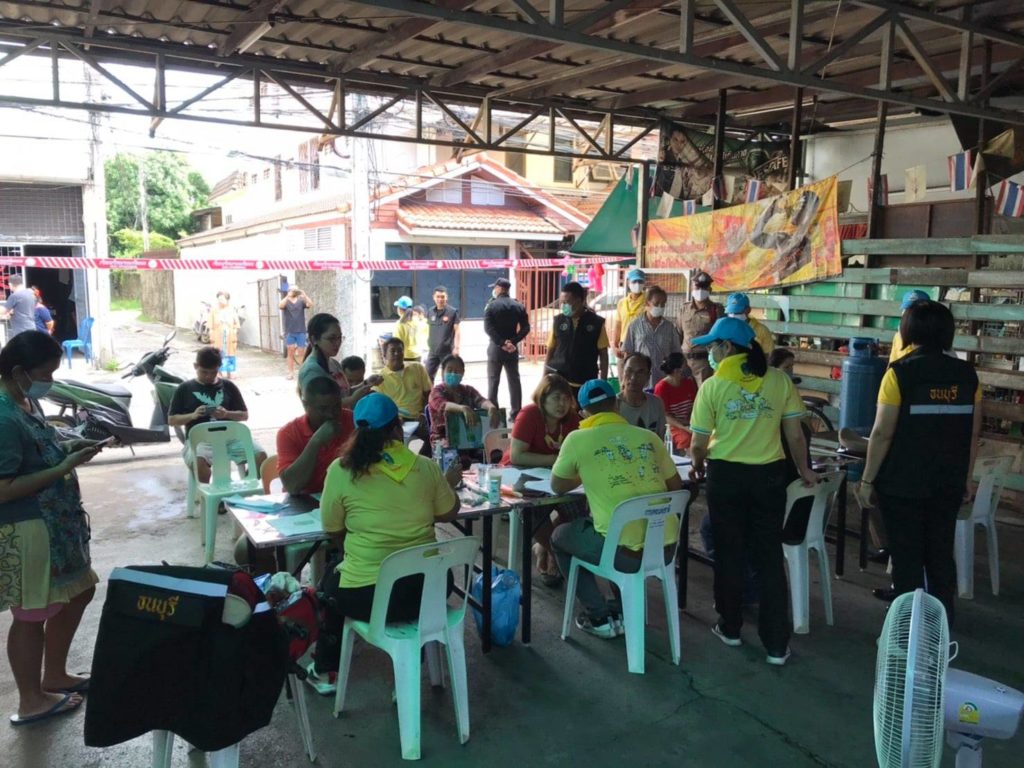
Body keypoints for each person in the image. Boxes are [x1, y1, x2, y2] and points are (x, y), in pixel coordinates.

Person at [688, 317, 814, 665]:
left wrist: (697, 464)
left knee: (729, 553)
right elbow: (795, 434)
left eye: (714, 346)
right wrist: (805, 469)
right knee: (768, 557)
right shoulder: (778, 380)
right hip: (769, 478)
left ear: (727, 347)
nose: (711, 352)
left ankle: (730, 628)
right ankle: (776, 644)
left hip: (726, 478)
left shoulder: (713, 386)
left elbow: (698, 444)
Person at [310, 393, 461, 683]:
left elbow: (332, 528)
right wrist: (444, 487)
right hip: (427, 591)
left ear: (356, 430)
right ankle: (412, 663)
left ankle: (326, 669)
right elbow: (448, 511)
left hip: (367, 598)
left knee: (330, 583)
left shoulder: (341, 470)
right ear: (397, 428)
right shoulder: (425, 466)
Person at [854, 300, 981, 628]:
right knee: (940, 556)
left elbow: (882, 433)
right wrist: (967, 478)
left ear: (909, 330)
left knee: (907, 559)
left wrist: (867, 481)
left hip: (903, 483)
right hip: (948, 482)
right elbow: (972, 433)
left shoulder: (899, 373)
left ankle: (906, 634)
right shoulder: (967, 375)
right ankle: (941, 630)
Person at [0, 331, 103, 724]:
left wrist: (68, 449)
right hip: (27, 526)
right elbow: (4, 489)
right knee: (32, 611)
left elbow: (40, 449)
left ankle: (55, 674)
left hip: (57, 522)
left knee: (80, 590)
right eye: (45, 374)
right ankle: (30, 700)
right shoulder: (3, 417)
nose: (51, 381)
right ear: (19, 372)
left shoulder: (26, 401)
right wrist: (63, 467)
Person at [550, 379, 684, 638]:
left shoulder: (577, 439)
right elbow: (676, 487)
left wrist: (586, 472)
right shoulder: (648, 437)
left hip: (623, 556)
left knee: (560, 537)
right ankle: (624, 608)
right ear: (617, 405)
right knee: (609, 530)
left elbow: (557, 485)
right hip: (666, 550)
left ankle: (599, 615)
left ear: (583, 412)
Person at [505, 374, 582, 586]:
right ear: (543, 398)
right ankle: (555, 553)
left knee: (578, 508)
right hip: (520, 475)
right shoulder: (529, 414)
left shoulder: (572, 420)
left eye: (566, 399)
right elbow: (517, 456)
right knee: (533, 510)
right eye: (556, 398)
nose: (562, 404)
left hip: (555, 476)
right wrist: (555, 459)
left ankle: (546, 547)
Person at [168, 346, 267, 485]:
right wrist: (193, 415)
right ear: (195, 366)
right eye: (204, 372)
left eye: (213, 372)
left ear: (219, 368)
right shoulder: (184, 389)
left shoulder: (228, 386)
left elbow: (244, 415)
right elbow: (172, 420)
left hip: (231, 438)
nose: (208, 376)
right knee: (199, 464)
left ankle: (246, 485)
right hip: (200, 441)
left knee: (261, 456)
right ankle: (207, 495)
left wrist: (227, 413)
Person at [277, 376, 355, 495]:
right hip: (305, 499)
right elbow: (291, 486)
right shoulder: (288, 433)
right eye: (323, 409)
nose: (331, 414)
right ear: (305, 405)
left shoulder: (354, 421)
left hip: (346, 496)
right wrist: (316, 441)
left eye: (336, 407)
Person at [298, 314, 381, 409]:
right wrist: (352, 399)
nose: (338, 343)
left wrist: (366, 383)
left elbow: (344, 393)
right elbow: (321, 407)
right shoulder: (311, 370)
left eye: (339, 338)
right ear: (314, 340)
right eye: (331, 338)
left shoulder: (333, 363)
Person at [545, 281, 609, 401]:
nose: (563, 306)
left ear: (579, 301)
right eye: (562, 302)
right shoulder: (558, 321)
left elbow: (603, 355)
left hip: (586, 383)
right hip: (560, 381)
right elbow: (550, 350)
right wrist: (545, 376)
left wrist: (603, 382)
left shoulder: (596, 323)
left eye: (567, 302)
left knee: (583, 411)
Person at [374, 338, 433, 454]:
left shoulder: (417, 368)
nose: (397, 354)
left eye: (400, 350)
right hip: (396, 420)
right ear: (384, 355)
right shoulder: (379, 379)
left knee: (435, 437)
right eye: (393, 351)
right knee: (393, 446)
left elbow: (429, 394)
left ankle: (421, 460)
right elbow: (380, 407)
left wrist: (424, 413)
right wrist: (394, 418)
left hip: (419, 417)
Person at [483, 277, 530, 418]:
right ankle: (516, 413)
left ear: (499, 288)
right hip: (512, 350)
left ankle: (494, 414)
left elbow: (488, 328)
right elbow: (526, 328)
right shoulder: (518, 305)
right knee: (514, 380)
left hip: (496, 349)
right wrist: (513, 342)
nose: (494, 290)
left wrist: (502, 343)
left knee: (493, 381)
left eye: (495, 287)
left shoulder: (491, 306)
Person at [427, 354, 500, 445]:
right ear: (443, 372)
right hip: (442, 439)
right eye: (449, 370)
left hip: (468, 438)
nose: (453, 373)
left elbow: (481, 400)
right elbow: (443, 405)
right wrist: (462, 408)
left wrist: (491, 407)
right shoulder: (436, 392)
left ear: (462, 373)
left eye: (457, 371)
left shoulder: (468, 390)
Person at [622, 285, 682, 388]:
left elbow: (676, 353)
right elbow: (628, 354)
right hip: (640, 382)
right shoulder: (634, 326)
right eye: (656, 304)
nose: (660, 307)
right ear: (647, 303)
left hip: (663, 381)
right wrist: (626, 379)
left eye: (663, 304)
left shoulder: (669, 327)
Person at [678, 270, 723, 386]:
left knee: (702, 394)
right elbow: (678, 334)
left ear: (710, 290)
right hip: (684, 363)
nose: (700, 291)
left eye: (704, 287)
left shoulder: (716, 310)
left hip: (705, 364)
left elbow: (721, 339)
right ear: (692, 288)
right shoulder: (684, 309)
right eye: (697, 287)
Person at [654, 352, 698, 453]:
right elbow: (664, 416)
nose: (688, 367)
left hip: (689, 422)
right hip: (672, 425)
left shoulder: (689, 383)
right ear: (677, 370)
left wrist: (692, 423)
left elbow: (694, 406)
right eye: (685, 365)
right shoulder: (662, 388)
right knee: (686, 438)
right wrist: (685, 428)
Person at [617, 353, 667, 436]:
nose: (633, 377)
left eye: (640, 372)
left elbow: (661, 438)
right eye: (629, 371)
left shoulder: (656, 404)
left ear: (648, 376)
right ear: (623, 373)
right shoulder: (612, 406)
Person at [425, 285, 461, 382]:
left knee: (446, 378)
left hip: (447, 351)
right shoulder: (430, 312)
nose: (440, 299)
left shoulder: (452, 312)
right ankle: (430, 392)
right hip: (433, 351)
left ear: (446, 297)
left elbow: (457, 331)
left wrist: (457, 347)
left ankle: (445, 392)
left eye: (442, 297)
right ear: (433, 297)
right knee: (427, 376)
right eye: (438, 297)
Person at [611, 268, 647, 360]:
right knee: (623, 368)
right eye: (634, 281)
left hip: (642, 345)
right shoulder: (622, 303)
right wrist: (614, 345)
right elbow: (618, 325)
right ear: (628, 283)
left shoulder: (648, 302)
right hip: (624, 345)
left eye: (640, 281)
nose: (637, 284)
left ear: (644, 283)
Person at [280, 285, 313, 381]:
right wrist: (287, 296)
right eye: (292, 290)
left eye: (295, 290)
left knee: (301, 352)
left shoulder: (301, 301)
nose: (293, 292)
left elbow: (310, 304)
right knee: (290, 352)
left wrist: (304, 295)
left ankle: (302, 373)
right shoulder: (286, 301)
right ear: (289, 291)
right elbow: (280, 306)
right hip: (289, 331)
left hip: (301, 331)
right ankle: (290, 373)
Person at [888, 289, 930, 363]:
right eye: (907, 309)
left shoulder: (934, 338)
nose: (911, 314)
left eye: (916, 310)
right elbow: (892, 362)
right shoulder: (898, 336)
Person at [209, 291, 240, 379]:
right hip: (218, 335)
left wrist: (234, 331)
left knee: (231, 353)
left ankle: (231, 371)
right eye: (219, 299)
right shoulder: (214, 310)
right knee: (218, 353)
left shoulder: (232, 310)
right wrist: (211, 334)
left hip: (229, 335)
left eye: (222, 299)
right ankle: (218, 371)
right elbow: (210, 325)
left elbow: (236, 324)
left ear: (227, 300)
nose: (220, 301)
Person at [1, 273, 39, 339]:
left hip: (21, 331)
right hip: (31, 327)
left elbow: (3, 311)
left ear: (10, 284)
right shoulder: (31, 294)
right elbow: (25, 308)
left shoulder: (15, 296)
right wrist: (12, 312)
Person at [391, 296, 420, 362]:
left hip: (404, 356)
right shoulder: (416, 321)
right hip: (417, 354)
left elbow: (396, 342)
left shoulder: (400, 324)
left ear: (400, 309)